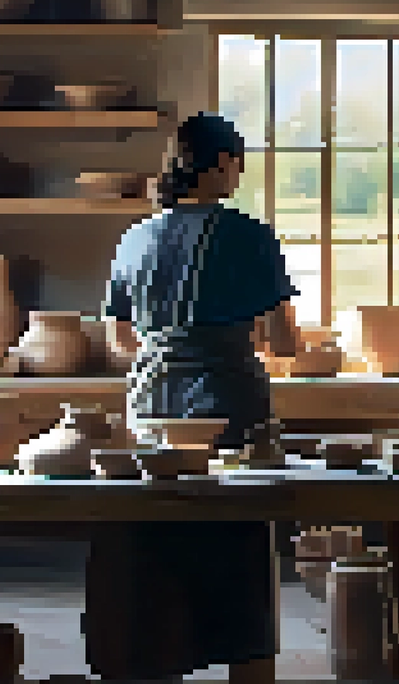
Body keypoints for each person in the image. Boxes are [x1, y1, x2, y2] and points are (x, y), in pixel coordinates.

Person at [82, 112, 301, 684]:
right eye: (237, 166)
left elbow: (119, 339)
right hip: (227, 398)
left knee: (154, 547)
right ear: (222, 163)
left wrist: (169, 346)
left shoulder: (135, 237)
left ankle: (158, 665)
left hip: (152, 400)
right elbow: (284, 342)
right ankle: (248, 671)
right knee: (237, 550)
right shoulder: (247, 233)